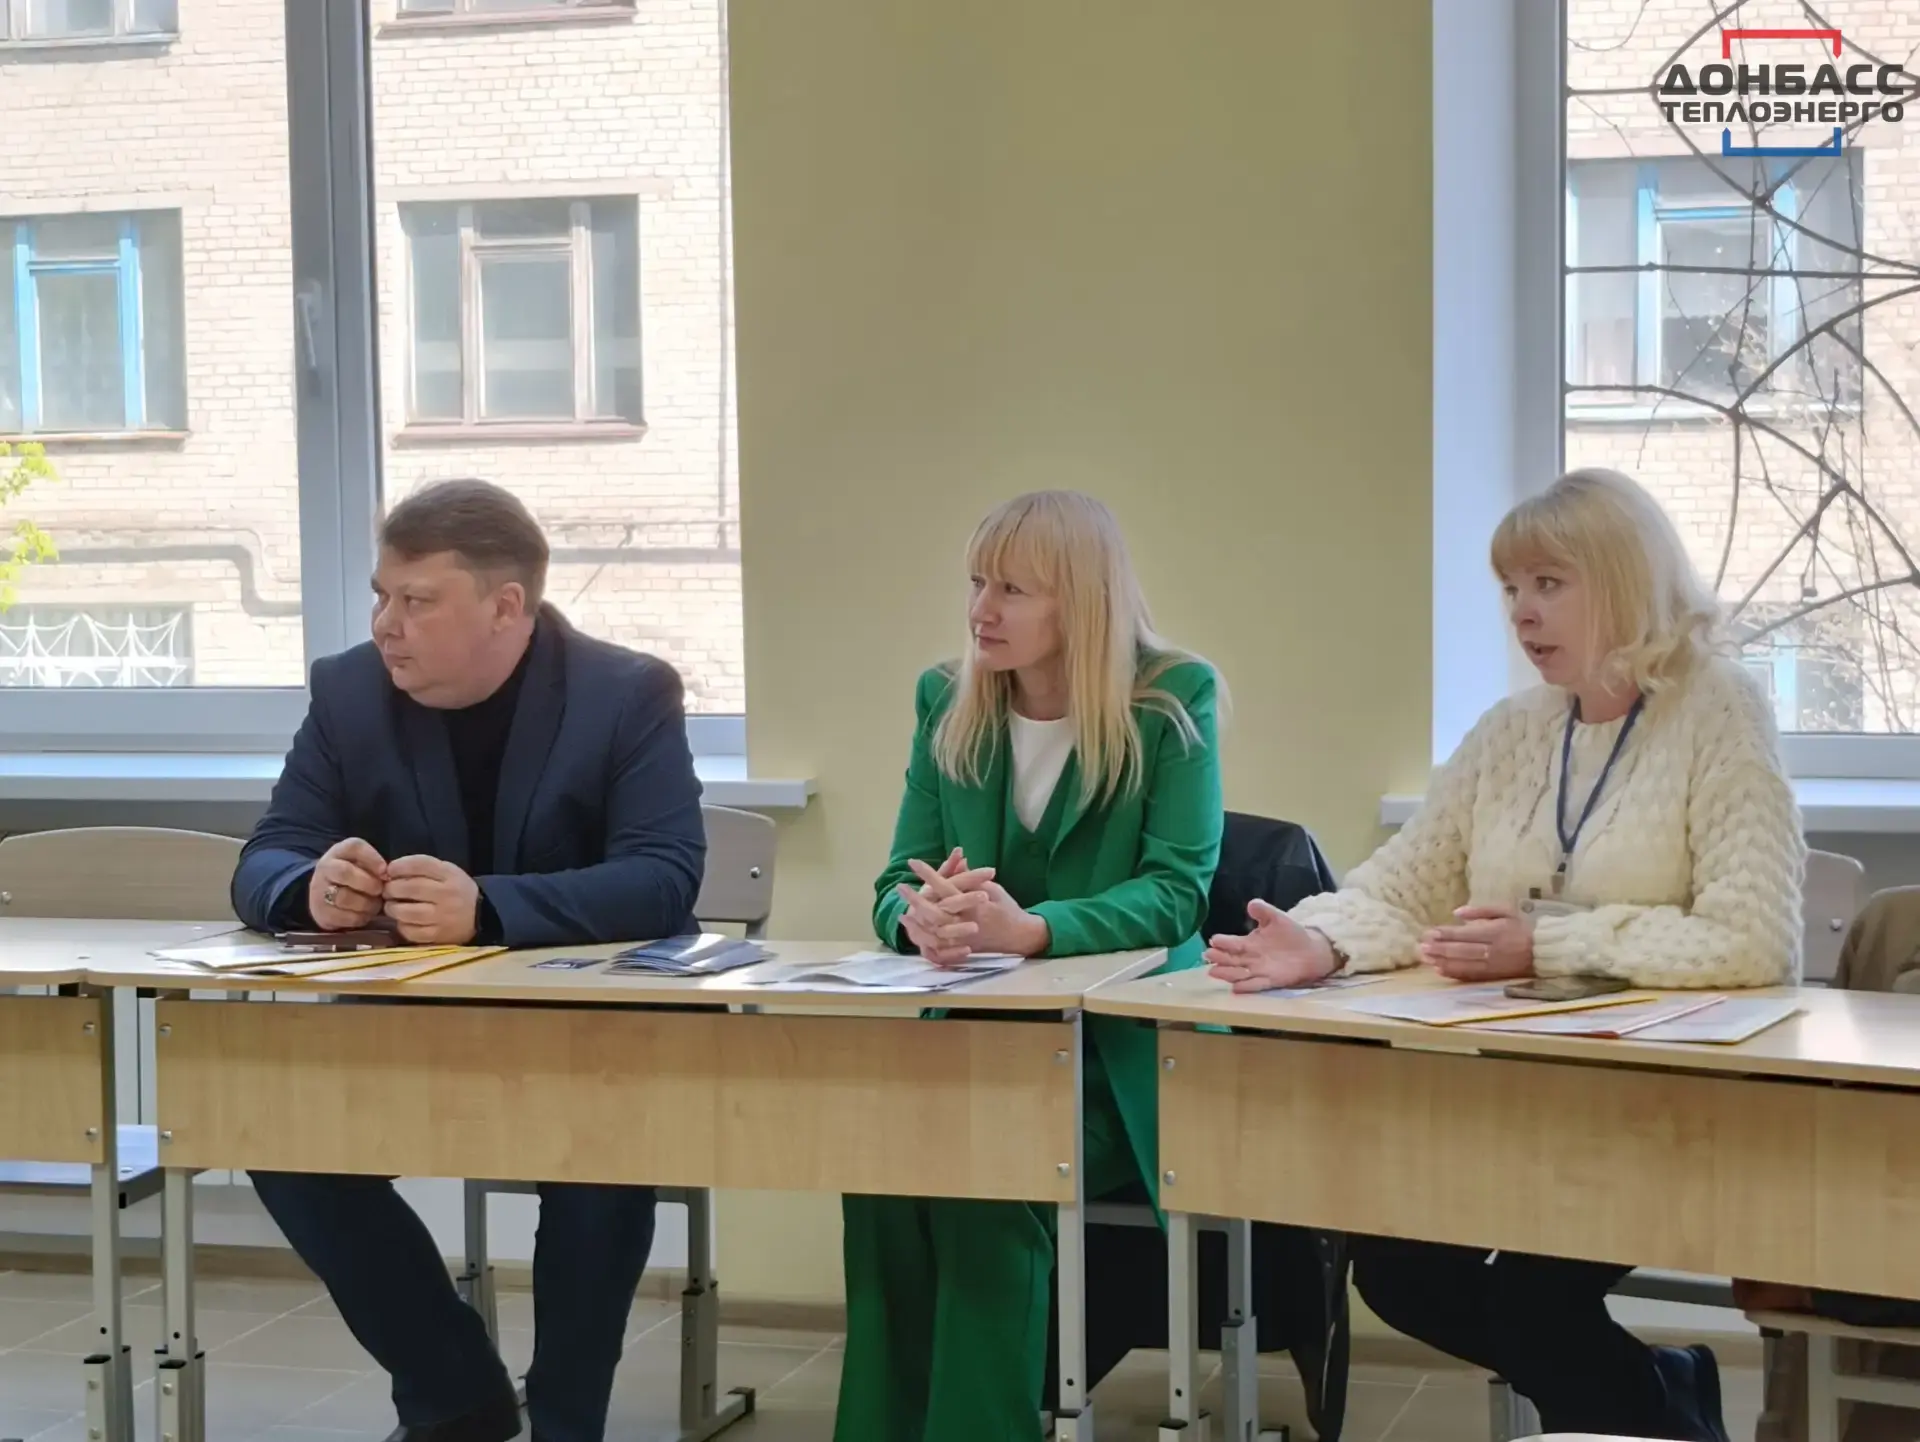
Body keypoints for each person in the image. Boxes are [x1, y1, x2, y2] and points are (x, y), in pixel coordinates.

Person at [1204, 467, 1805, 1442]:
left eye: (1549, 584)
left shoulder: (1720, 710)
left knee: (1532, 1303)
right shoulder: (1513, 728)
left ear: (1626, 580)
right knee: (1396, 1270)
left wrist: (1548, 940)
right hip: (1512, 1092)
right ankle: (1665, 1393)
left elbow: (1754, 941)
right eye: (1511, 588)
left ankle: (1662, 1412)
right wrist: (1320, 942)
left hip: (1661, 1107)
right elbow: (1403, 885)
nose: (1522, 612)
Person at [230, 478, 705, 1442]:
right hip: (407, 1037)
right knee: (277, 1135)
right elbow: (265, 856)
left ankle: (566, 1422)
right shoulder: (349, 691)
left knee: (604, 1162)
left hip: (585, 1043)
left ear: (504, 606)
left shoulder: (625, 693)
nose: (386, 625)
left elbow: (664, 877)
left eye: (416, 601)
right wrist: (309, 888)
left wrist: (486, 909)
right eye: (381, 596)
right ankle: (454, 1396)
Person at [835, 490, 1224, 1442]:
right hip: (976, 1044)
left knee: (988, 1172)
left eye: (1012, 589)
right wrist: (919, 920)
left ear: (1081, 599)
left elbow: (1177, 894)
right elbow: (895, 878)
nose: (981, 610)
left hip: (1120, 1057)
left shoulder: (1174, 697)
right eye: (977, 582)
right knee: (875, 1166)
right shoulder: (947, 698)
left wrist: (1033, 930)